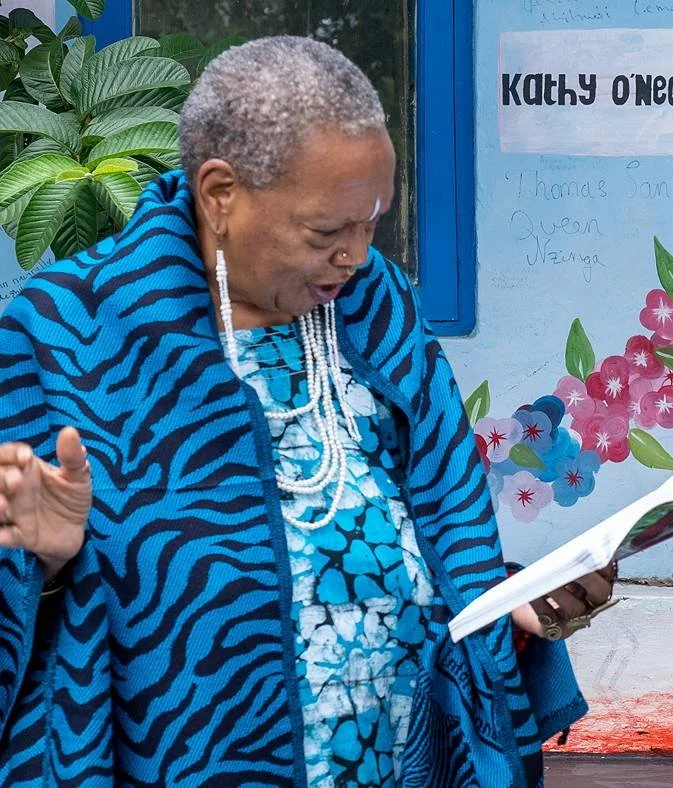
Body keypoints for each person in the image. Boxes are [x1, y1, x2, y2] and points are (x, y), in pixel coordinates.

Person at [0, 38, 612, 785]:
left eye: (372, 223)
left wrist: (513, 602)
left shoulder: (374, 305)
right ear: (220, 194)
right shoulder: (65, 332)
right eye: (327, 233)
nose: (355, 256)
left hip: (399, 758)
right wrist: (46, 561)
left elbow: (443, 537)